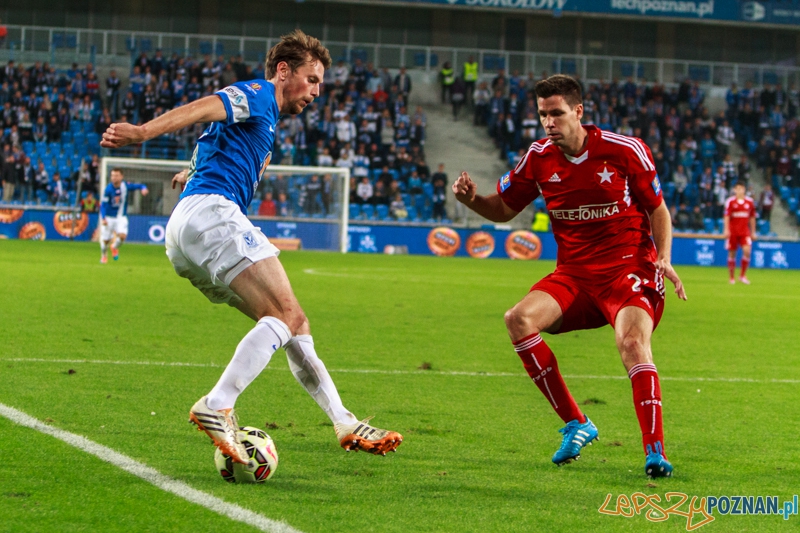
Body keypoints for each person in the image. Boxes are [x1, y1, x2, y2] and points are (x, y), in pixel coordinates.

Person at [100, 30, 402, 465]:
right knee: (286, 315)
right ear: (284, 71)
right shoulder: (260, 93)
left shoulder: (265, 115)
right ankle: (218, 403)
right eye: (312, 79)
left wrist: (190, 172)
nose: (317, 92)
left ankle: (344, 420)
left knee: (292, 325)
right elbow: (206, 107)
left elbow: (214, 136)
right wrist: (144, 132)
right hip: (211, 214)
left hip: (188, 226)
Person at [452, 75, 686, 479]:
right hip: (575, 275)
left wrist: (663, 258)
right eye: (542, 115)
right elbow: (505, 209)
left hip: (628, 269)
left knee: (632, 343)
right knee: (517, 319)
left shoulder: (625, 150)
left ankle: (655, 451)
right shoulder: (538, 157)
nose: (548, 123)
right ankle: (578, 423)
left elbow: (658, 209)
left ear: (578, 112)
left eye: (556, 113)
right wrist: (472, 199)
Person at [98, 168, 149, 264]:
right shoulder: (108, 189)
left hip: (121, 216)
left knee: (122, 236)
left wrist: (143, 188)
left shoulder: (125, 186)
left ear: (121, 177)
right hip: (109, 217)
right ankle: (104, 255)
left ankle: (114, 247)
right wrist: (103, 218)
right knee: (105, 241)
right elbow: (103, 205)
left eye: (116, 175)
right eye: (112, 175)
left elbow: (139, 185)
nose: (114, 178)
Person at [723, 181, 757, 285]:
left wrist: (753, 231)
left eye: (741, 188)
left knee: (747, 251)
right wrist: (726, 229)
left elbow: (752, 217)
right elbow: (727, 216)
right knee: (732, 253)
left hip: (744, 231)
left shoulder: (749, 202)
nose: (739, 190)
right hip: (733, 231)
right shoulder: (730, 202)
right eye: (737, 188)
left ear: (744, 189)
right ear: (734, 190)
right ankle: (732, 277)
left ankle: (742, 275)